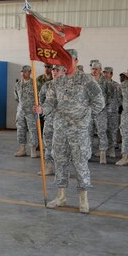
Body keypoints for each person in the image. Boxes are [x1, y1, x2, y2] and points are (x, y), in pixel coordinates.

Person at [37, 49, 105, 213]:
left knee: (80, 163)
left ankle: (83, 199)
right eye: (63, 59)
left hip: (78, 131)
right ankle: (61, 196)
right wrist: (42, 109)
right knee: (60, 161)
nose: (66, 63)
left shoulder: (86, 80)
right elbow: (51, 102)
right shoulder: (57, 82)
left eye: (69, 59)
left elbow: (99, 102)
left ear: (76, 60)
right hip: (60, 129)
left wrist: (84, 117)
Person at [35, 65, 67, 176]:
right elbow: (42, 98)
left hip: (63, 121)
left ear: (64, 71)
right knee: (48, 143)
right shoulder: (47, 85)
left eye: (57, 70)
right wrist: (42, 109)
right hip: (50, 119)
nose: (54, 72)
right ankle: (48, 166)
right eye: (53, 69)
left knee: (62, 145)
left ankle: (62, 169)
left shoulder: (68, 86)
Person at [14, 65, 39, 158]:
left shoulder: (35, 84)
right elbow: (16, 97)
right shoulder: (18, 84)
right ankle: (22, 149)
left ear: (29, 72)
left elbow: (40, 96)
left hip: (31, 111)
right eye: (22, 72)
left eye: (25, 72)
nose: (23, 73)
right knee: (20, 129)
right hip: (21, 110)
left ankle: (33, 149)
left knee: (33, 130)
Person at [90, 61, 111, 164]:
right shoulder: (88, 80)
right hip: (89, 111)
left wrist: (104, 105)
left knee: (101, 132)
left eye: (96, 69)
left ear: (100, 70)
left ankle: (103, 154)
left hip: (101, 112)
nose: (94, 71)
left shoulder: (105, 81)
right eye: (93, 69)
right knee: (88, 133)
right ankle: (87, 154)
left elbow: (110, 95)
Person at [103, 66, 120, 157]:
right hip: (102, 112)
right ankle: (103, 149)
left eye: (107, 72)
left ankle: (112, 149)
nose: (105, 74)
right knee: (102, 131)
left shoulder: (116, 85)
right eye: (104, 72)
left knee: (112, 131)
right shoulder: (99, 84)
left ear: (111, 74)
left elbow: (121, 98)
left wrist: (115, 106)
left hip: (113, 112)